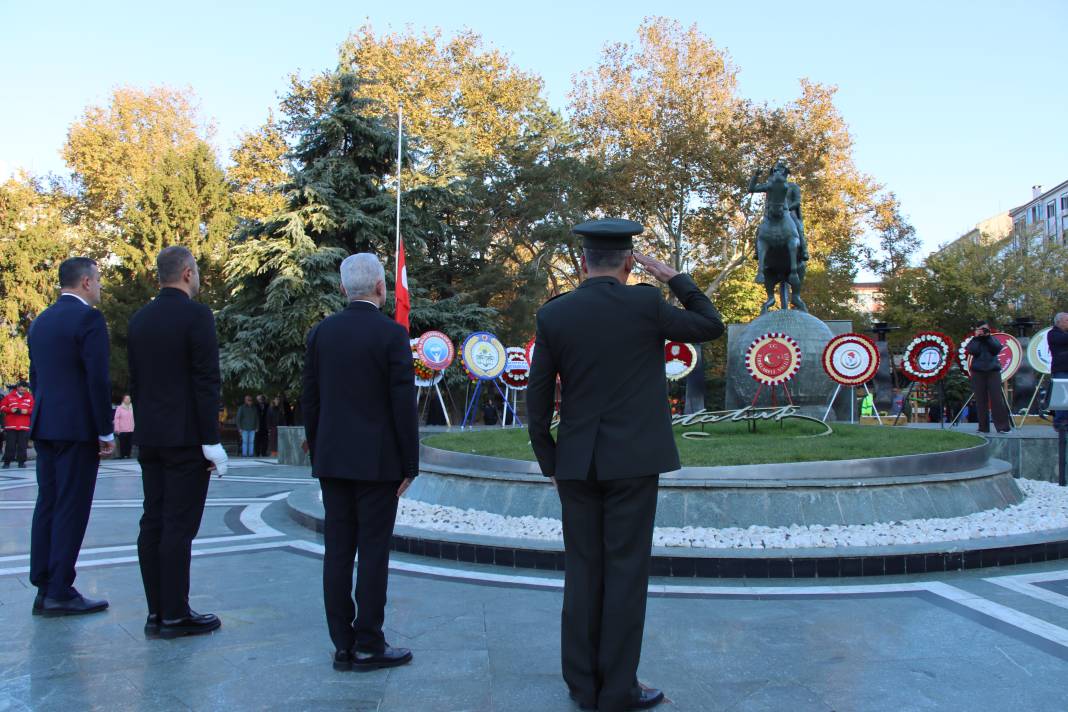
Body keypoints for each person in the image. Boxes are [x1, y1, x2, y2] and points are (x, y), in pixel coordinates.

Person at [527, 219, 725, 712]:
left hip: (575, 462)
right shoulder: (646, 305)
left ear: (582, 263)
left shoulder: (555, 314)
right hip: (634, 462)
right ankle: (618, 689)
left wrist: (548, 458)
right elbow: (710, 324)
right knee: (625, 573)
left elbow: (536, 397)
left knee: (583, 571)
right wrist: (673, 276)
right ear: (630, 262)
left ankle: (581, 685)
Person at [301, 253, 418, 672]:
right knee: (371, 553)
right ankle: (369, 642)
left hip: (333, 460)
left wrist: (317, 448)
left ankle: (342, 644)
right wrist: (410, 463)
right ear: (382, 288)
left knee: (337, 552)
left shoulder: (321, 334)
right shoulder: (391, 335)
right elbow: (402, 403)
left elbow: (310, 400)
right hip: (378, 463)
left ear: (342, 289)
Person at [127, 246, 228, 639]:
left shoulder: (140, 319)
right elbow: (206, 380)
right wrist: (210, 441)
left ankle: (157, 612)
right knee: (178, 527)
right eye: (198, 270)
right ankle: (174, 613)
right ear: (187, 273)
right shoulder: (196, 315)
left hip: (150, 437)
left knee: (152, 521)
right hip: (186, 438)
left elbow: (136, 382)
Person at [27, 257, 114, 616]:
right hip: (77, 428)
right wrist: (104, 429)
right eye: (98, 280)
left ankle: (44, 583)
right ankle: (60, 589)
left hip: (45, 423)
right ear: (86, 282)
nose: (100, 287)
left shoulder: (41, 321)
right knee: (71, 507)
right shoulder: (88, 319)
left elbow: (36, 377)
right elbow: (97, 378)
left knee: (47, 502)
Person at [966, 320, 1011, 433]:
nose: (983, 331)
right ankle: (983, 427)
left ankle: (1003, 427)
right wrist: (977, 337)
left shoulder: (992, 339)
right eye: (981, 329)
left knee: (996, 399)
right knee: (981, 401)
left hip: (993, 372)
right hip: (978, 372)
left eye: (985, 329)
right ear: (977, 330)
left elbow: (997, 349)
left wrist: (988, 337)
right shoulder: (974, 341)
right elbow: (972, 350)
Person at [1, 380, 34, 468]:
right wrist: (10, 410)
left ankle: (21, 462)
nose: (23, 391)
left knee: (22, 446)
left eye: (24, 389)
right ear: (18, 387)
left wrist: (26, 411)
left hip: (24, 426)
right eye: (21, 389)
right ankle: (7, 462)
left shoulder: (30, 397)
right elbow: (2, 406)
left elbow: (34, 410)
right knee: (10, 445)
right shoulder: (9, 396)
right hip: (11, 425)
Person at [1049, 312, 1068, 431]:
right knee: (1062, 397)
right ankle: (1060, 423)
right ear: (1059, 321)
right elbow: (1063, 340)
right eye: (1067, 320)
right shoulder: (1053, 334)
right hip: (1061, 370)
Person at [112, 394, 135, 459]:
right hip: (122, 429)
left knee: (130, 443)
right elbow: (116, 419)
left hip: (131, 429)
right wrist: (117, 428)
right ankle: (122, 455)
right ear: (123, 400)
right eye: (126, 398)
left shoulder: (133, 407)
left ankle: (128, 455)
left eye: (129, 399)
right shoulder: (119, 408)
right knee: (122, 443)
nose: (128, 400)